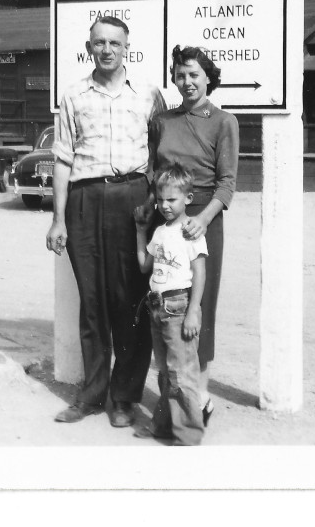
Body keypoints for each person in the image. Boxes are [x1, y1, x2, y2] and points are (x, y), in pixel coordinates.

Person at [46, 15, 166, 428]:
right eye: (99, 43)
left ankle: (124, 398)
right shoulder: (74, 95)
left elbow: (161, 155)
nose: (107, 50)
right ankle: (92, 394)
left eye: (115, 43)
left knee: (130, 299)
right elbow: (62, 159)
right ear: (89, 47)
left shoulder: (149, 95)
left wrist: (152, 201)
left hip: (132, 200)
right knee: (92, 301)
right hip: (84, 199)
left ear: (127, 48)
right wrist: (58, 220)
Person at [146, 45, 239, 427]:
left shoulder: (223, 122)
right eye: (181, 75)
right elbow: (153, 170)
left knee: (200, 307)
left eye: (194, 75)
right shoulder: (164, 121)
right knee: (165, 302)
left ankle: (199, 396)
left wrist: (201, 218)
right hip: (166, 216)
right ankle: (172, 394)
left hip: (204, 220)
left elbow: (228, 182)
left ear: (208, 78)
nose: (187, 82)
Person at [133, 164, 207, 445]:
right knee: (165, 373)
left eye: (172, 200)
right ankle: (165, 426)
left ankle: (188, 434)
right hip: (156, 306)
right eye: (161, 199)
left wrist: (192, 313)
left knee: (182, 372)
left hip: (179, 306)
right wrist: (141, 231)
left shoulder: (191, 231)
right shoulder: (160, 232)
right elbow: (144, 267)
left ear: (188, 198)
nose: (165, 205)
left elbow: (199, 273)